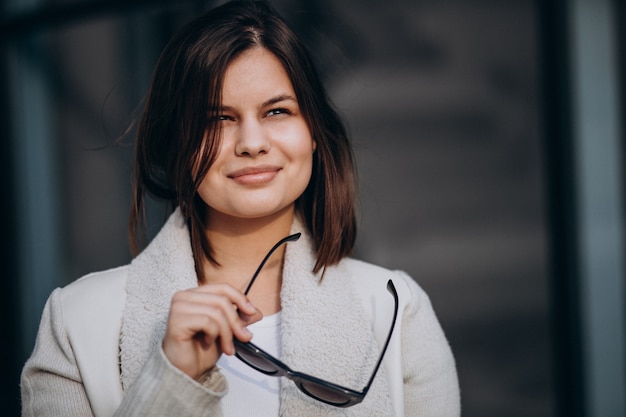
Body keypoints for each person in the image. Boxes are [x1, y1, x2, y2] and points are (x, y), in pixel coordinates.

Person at [20, 1, 460, 416]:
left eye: (277, 112)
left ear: (313, 133)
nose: (252, 143)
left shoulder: (396, 310)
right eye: (218, 119)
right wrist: (169, 381)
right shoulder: (77, 323)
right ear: (178, 144)